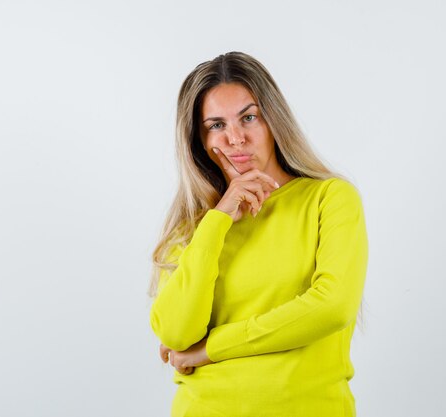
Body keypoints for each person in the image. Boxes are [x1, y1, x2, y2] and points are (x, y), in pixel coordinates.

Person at [147, 51, 369, 417]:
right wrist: (217, 222)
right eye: (216, 125)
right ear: (200, 140)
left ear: (274, 121)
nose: (236, 138)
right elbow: (176, 334)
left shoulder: (329, 199)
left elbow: (331, 307)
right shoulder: (193, 227)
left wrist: (212, 348)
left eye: (248, 117)